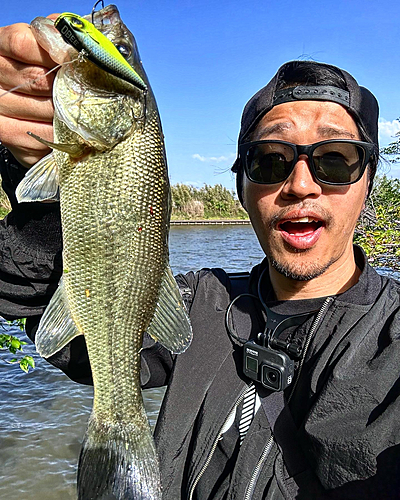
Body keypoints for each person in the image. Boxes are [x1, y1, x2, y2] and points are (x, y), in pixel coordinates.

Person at [0, 20, 400, 500]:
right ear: (242, 189)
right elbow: (56, 320)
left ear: (368, 183)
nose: (300, 184)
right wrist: (33, 180)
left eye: (335, 160)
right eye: (269, 160)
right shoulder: (200, 303)